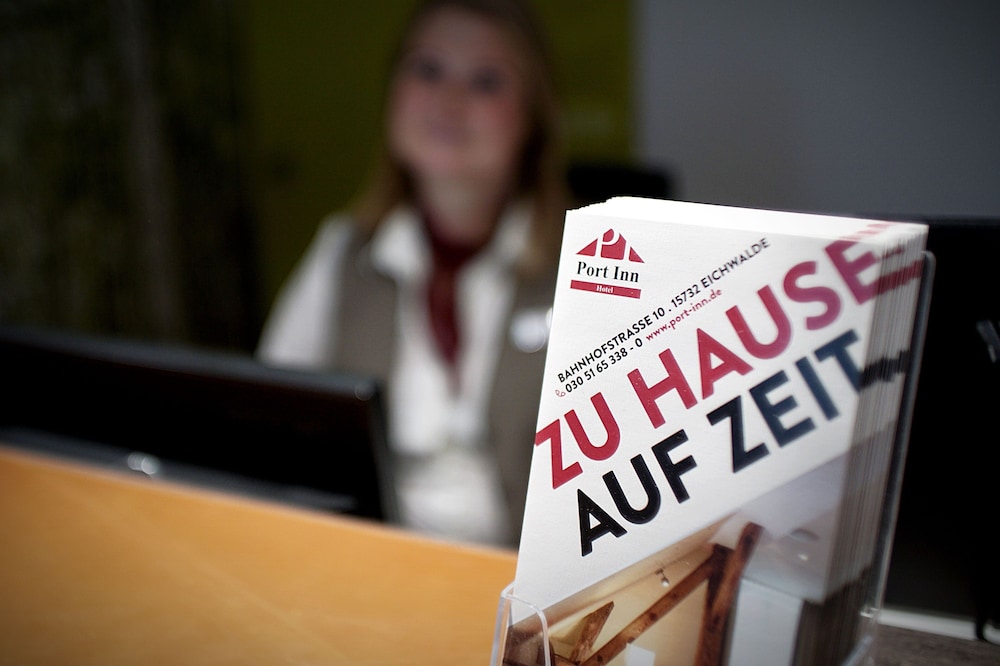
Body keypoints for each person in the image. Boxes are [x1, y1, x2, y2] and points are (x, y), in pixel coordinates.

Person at [256, 0, 568, 548]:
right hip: (371, 566)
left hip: (531, 585)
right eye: (428, 70)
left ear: (533, 113)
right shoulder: (343, 249)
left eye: (486, 80)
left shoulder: (594, 265)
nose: (449, 101)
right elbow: (267, 417)